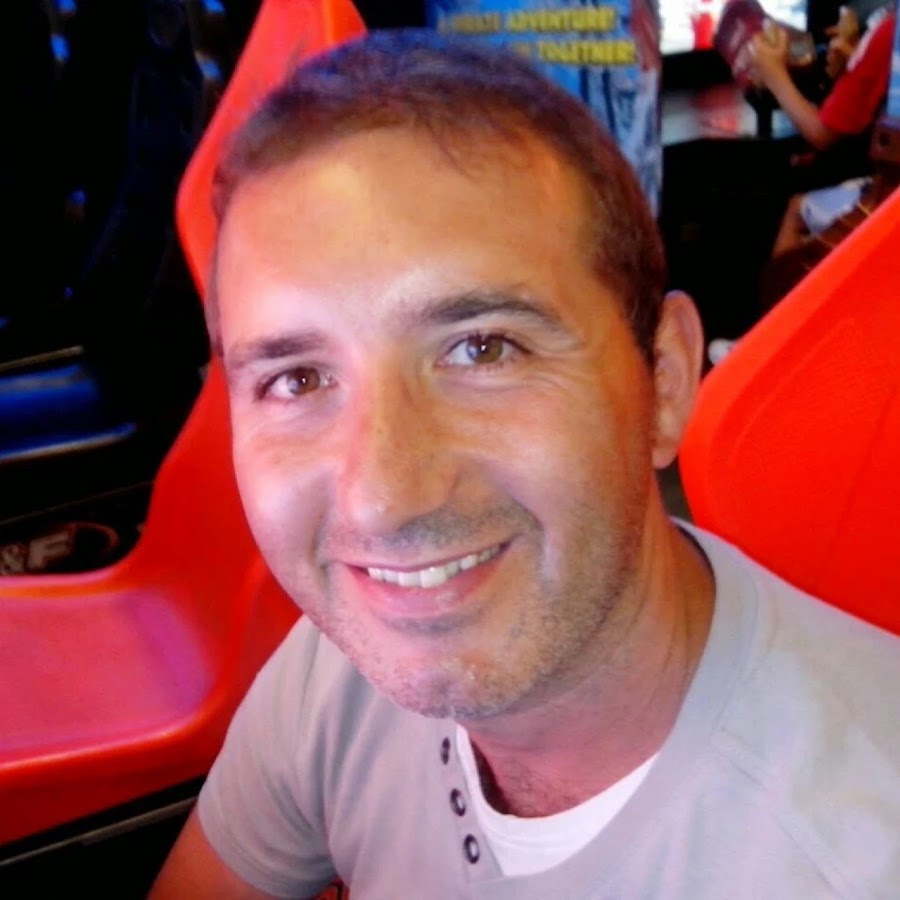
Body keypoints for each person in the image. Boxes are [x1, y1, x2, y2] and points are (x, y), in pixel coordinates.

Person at [151, 29, 900, 898]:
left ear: (662, 382)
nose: (382, 501)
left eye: (483, 349)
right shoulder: (344, 663)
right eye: (299, 379)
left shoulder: (860, 850)